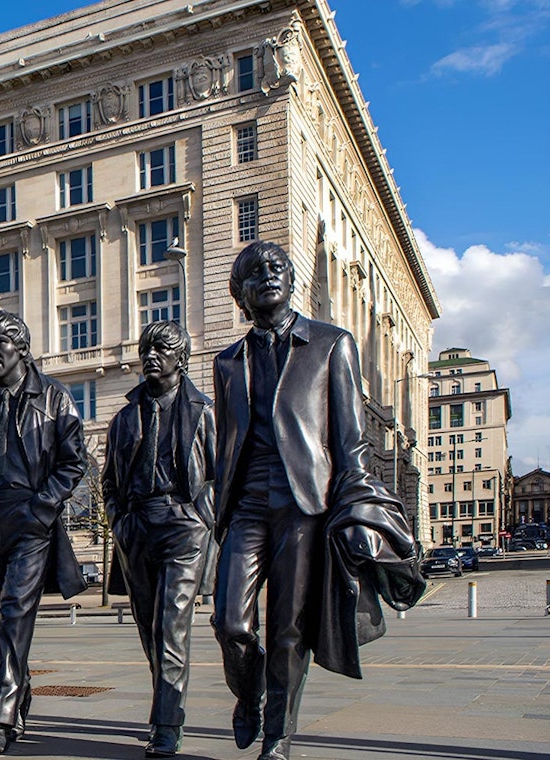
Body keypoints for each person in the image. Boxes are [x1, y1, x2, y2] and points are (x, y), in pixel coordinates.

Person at [209, 241, 369, 760]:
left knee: (289, 628)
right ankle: (248, 693)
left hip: (305, 503)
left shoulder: (331, 344)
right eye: (255, 272)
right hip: (247, 503)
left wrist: (358, 506)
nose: (268, 275)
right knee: (231, 623)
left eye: (277, 267)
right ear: (241, 293)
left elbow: (350, 442)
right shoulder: (228, 362)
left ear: (292, 279)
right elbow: (227, 441)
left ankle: (278, 736)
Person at [0, 310, 88, 754]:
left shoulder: (54, 397)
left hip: (30, 518)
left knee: (14, 613)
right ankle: (20, 693)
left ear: (22, 347)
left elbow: (74, 461)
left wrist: (43, 506)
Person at [103, 321, 216, 758]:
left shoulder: (201, 411)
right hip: (137, 529)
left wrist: (200, 516)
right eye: (147, 347)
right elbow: (110, 482)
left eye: (163, 348)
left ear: (181, 359)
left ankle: (167, 723)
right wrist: (119, 520)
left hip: (183, 527)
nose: (151, 355)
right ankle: (164, 705)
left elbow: (218, 477)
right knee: (150, 630)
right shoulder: (125, 417)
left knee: (171, 628)